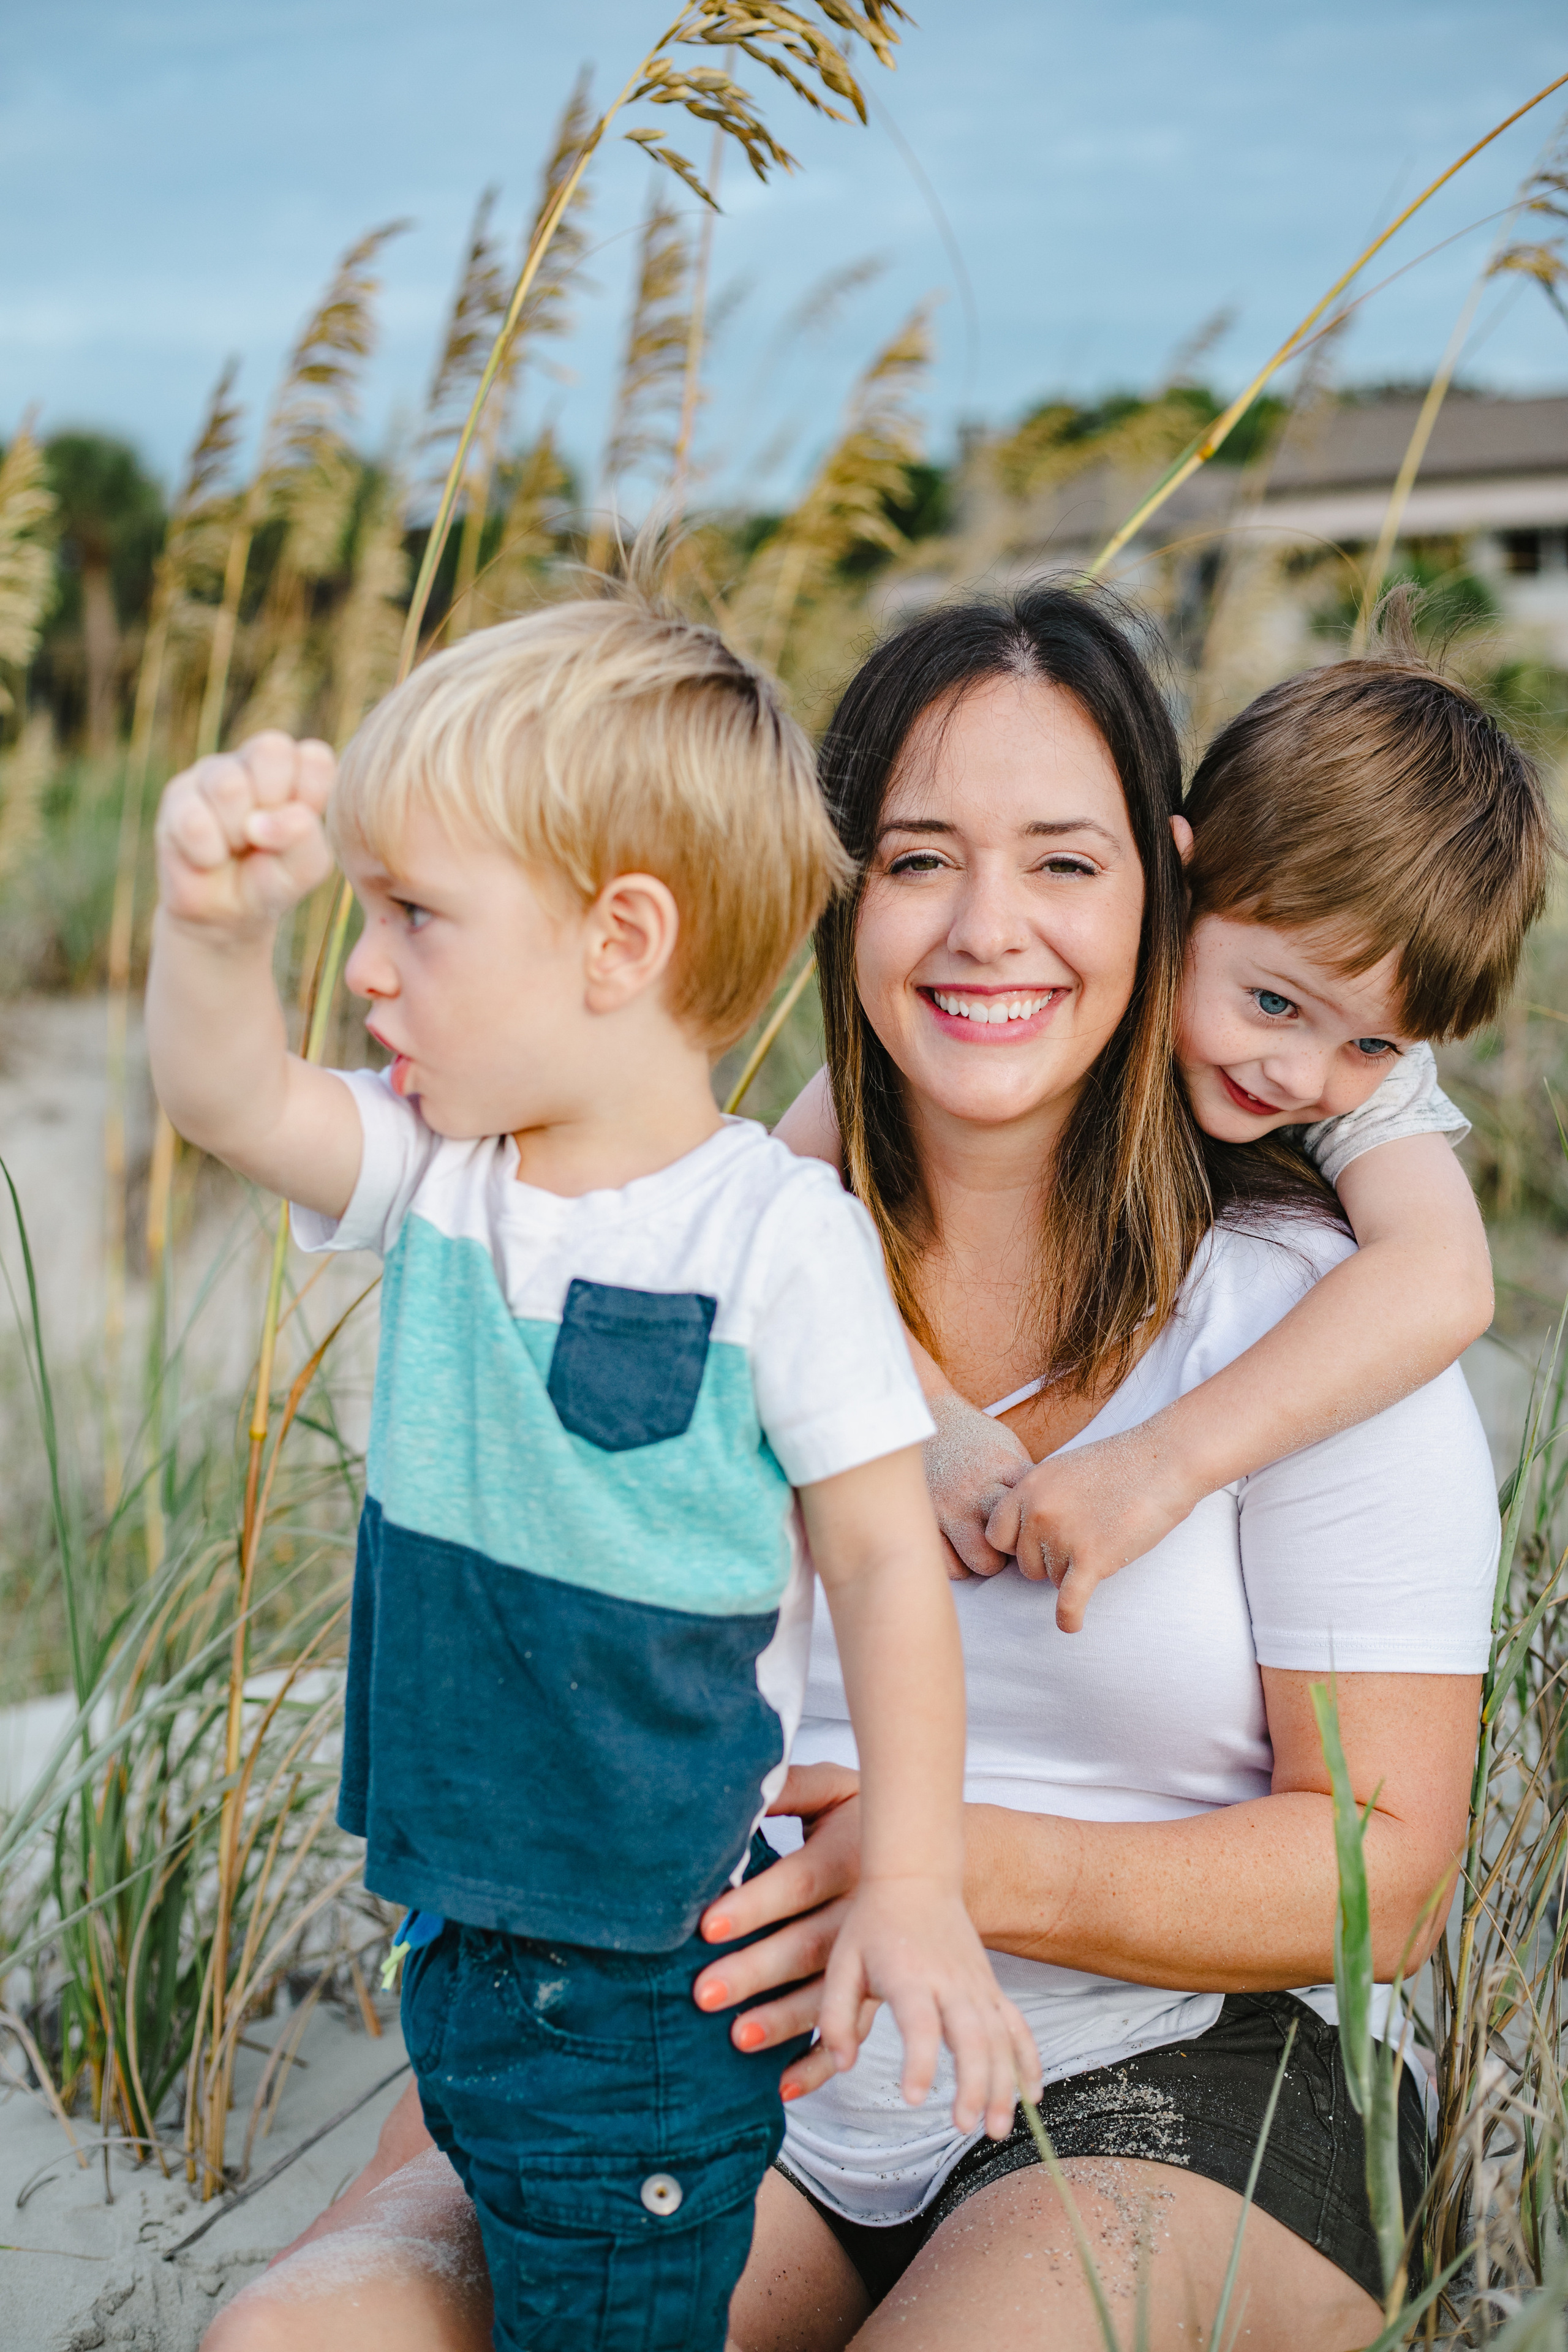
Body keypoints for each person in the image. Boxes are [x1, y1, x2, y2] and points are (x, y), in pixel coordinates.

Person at [203, 585, 1524, 2352]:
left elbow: (1394, 1874)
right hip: (715, 2007)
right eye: (916, 860)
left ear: (1168, 882)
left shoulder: (1322, 1324)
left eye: (1063, 862)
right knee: (304, 2342)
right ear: (840, 893)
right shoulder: (725, 1243)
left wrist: (956, 1864)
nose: (990, 929)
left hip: (1176, 2066)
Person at [147, 595, 1038, 2352]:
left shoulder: (776, 1235)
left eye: (415, 914)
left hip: (640, 1990)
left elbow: (876, 1565)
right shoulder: (439, 1172)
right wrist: (207, 925)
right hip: (460, 1949)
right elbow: (229, 1097)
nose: (367, 968)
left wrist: (918, 1878)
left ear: (620, 940)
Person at [779, 609, 1548, 1626]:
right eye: (1271, 1004)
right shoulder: (939, 1047)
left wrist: (1168, 1462)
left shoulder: (1362, 1068)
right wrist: (919, 1411)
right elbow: (778, 1215)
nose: (1299, 1074)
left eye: (1371, 1045)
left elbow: (1442, 1279)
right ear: (1177, 886)